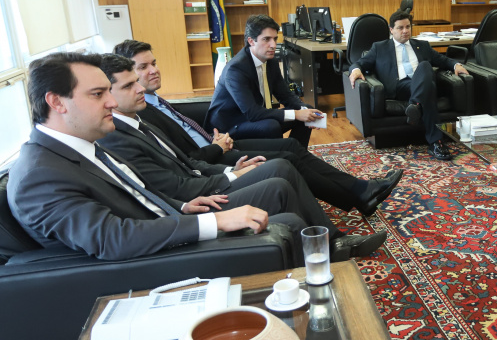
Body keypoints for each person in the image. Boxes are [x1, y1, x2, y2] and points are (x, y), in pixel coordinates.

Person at [7, 52, 307, 261]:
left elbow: (136, 196)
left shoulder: (79, 146)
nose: (112, 102)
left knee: (280, 192)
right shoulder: (39, 175)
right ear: (56, 102)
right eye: (98, 94)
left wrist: (183, 206)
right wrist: (215, 221)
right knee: (289, 222)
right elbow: (113, 238)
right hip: (156, 259)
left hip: (171, 223)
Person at [96, 54, 387, 261]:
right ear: (107, 94)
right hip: (203, 192)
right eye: (129, 84)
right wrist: (229, 174)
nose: (140, 87)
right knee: (282, 169)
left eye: (141, 76)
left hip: (209, 168)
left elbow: (184, 162)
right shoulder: (119, 134)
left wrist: (231, 169)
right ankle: (333, 238)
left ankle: (338, 226)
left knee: (285, 162)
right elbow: (176, 185)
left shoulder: (139, 119)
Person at [112, 40, 402, 216]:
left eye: (154, 63)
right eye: (142, 67)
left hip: (216, 142)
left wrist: (300, 109)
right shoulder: (139, 108)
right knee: (287, 151)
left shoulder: (270, 62)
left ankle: (357, 191)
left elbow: (283, 93)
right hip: (226, 138)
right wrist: (218, 145)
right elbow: (248, 114)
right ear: (251, 42)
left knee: (296, 139)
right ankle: (355, 192)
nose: (153, 70)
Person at [348, 9, 470, 161]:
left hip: (421, 84)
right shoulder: (379, 48)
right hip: (399, 87)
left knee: (425, 67)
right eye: (400, 28)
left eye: (408, 27)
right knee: (429, 87)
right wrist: (356, 70)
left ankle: (416, 107)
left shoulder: (423, 45)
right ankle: (436, 142)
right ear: (391, 30)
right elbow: (359, 63)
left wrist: (456, 65)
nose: (405, 31)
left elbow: (443, 60)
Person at [205, 14, 323, 146]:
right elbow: (253, 113)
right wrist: (296, 114)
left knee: (306, 110)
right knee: (271, 126)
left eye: (275, 39)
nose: (273, 45)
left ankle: (298, 156)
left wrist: (305, 110)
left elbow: (286, 96)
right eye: (266, 39)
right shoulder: (236, 69)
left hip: (253, 117)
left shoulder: (269, 61)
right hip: (230, 126)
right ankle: (281, 160)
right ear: (251, 41)